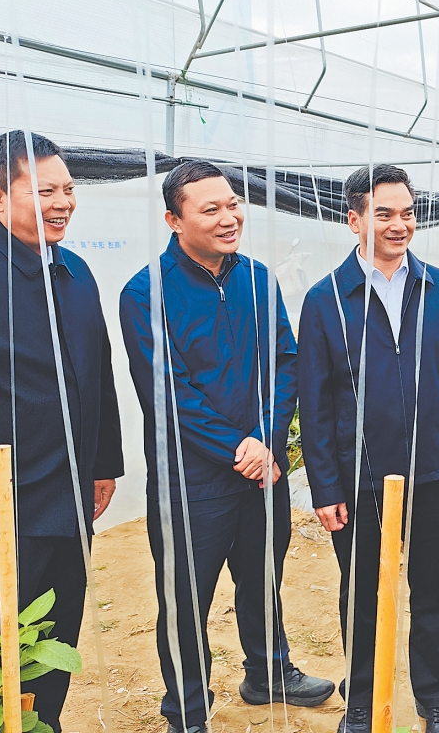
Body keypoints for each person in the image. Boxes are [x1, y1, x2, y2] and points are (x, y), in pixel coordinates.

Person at [120, 161, 334, 733]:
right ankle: (188, 712)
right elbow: (168, 392)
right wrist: (238, 446)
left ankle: (268, 673)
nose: (229, 217)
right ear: (174, 220)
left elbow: (284, 362)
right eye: (210, 209)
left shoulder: (257, 278)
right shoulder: (146, 292)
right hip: (193, 479)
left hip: (262, 467)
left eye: (233, 204)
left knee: (262, 577)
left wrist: (266, 439)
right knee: (185, 599)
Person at [299, 164, 439, 733]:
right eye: (384, 214)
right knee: (362, 592)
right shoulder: (326, 299)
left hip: (432, 471)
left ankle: (434, 698)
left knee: (432, 588)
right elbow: (314, 402)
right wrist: (325, 485)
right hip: (359, 477)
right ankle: (362, 699)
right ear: (354, 219)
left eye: (407, 213)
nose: (399, 225)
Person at [0, 131, 123, 731]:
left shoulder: (75, 272)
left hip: (68, 502)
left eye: (68, 189)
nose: (63, 203)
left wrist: (103, 463)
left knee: (52, 643)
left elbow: (97, 371)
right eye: (44, 191)